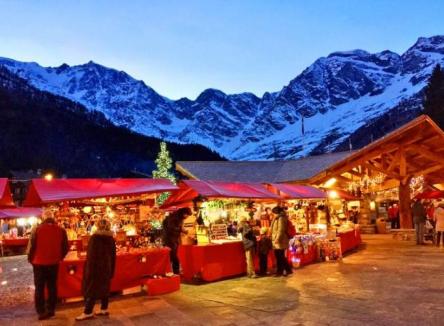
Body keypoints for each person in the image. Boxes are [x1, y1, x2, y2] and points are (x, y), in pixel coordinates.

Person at [27, 211, 69, 320]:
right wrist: (59, 257)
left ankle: (41, 311)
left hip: (39, 263)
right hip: (53, 262)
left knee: (39, 288)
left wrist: (30, 259)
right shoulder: (61, 230)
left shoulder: (37, 229)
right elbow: (65, 247)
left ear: (43, 218)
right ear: (53, 218)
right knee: (52, 286)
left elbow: (31, 246)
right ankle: (51, 310)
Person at [76, 219, 116, 321]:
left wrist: (88, 270)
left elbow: (91, 255)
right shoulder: (111, 238)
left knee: (92, 289)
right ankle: (104, 308)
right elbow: (113, 256)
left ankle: (88, 312)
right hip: (107, 266)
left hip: (95, 267)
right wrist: (111, 269)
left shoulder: (95, 238)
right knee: (105, 287)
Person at [162, 207, 192, 274]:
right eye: (186, 214)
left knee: (173, 256)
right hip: (170, 239)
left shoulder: (179, 218)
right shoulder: (174, 218)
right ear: (183, 213)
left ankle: (174, 271)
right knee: (173, 256)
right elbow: (171, 228)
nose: (187, 217)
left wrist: (182, 230)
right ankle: (173, 272)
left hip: (173, 239)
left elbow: (176, 227)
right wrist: (181, 230)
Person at [270, 206, 292, 276]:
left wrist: (277, 239)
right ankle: (287, 270)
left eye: (273, 212)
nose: (273, 214)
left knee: (279, 256)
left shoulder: (281, 218)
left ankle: (280, 271)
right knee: (280, 256)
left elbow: (281, 230)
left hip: (280, 240)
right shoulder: (277, 218)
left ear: (276, 212)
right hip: (277, 239)